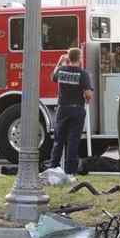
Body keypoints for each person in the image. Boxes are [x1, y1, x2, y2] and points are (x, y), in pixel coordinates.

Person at [48, 47, 93, 177]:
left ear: (69, 58)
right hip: (77, 109)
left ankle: (53, 168)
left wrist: (59, 62)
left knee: (58, 140)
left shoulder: (61, 71)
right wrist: (87, 97)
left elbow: (53, 77)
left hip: (62, 109)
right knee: (73, 141)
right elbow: (88, 93)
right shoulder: (83, 74)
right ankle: (70, 172)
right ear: (79, 58)